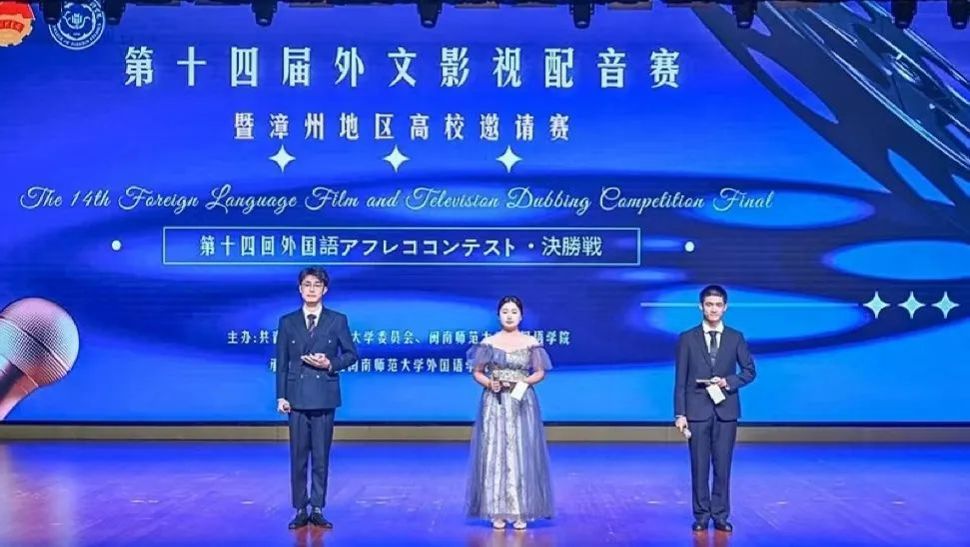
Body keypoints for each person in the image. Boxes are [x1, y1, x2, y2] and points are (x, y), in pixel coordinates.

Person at [275, 267, 358, 529]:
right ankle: (300, 508)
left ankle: (318, 507)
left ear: (325, 290)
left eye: (317, 285)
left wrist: (329, 363)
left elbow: (351, 355)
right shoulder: (287, 322)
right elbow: (282, 363)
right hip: (296, 397)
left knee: (321, 457)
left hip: (324, 396)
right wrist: (281, 396)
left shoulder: (337, 320)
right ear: (300, 289)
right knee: (298, 456)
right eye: (307, 285)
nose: (312, 289)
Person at [465, 296, 554, 530]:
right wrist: (489, 383)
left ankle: (520, 510)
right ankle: (497, 509)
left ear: (521, 316)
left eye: (514, 311)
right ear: (498, 315)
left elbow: (540, 372)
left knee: (521, 450)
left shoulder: (531, 342)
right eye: (505, 311)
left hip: (522, 400)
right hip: (494, 402)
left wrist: (523, 382)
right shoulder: (489, 342)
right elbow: (477, 371)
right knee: (495, 450)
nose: (509, 315)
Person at [674, 284, 757, 533]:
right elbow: (680, 380)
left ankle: (720, 515)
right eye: (709, 305)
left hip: (726, 411)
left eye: (718, 305)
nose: (713, 309)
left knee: (722, 466)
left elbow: (749, 371)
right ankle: (701, 515)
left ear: (725, 308)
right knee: (699, 466)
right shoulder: (687, 338)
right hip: (697, 411)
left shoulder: (735, 337)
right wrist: (680, 413)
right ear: (700, 307)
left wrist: (728, 382)